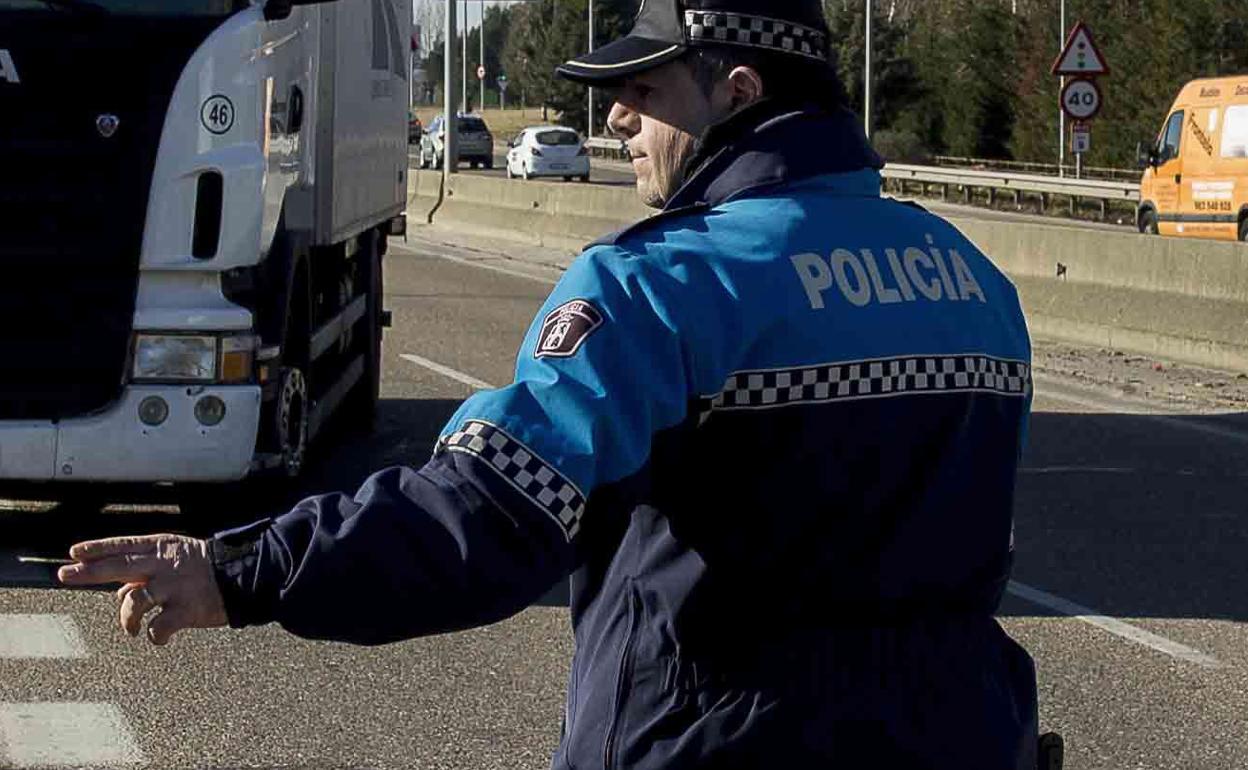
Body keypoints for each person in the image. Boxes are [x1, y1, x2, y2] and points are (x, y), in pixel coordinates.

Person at [59, 1, 1041, 767]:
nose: (616, 116)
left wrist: (243, 568)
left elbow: (491, 513)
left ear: (737, 90)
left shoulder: (666, 282)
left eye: (647, 90)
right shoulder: (973, 283)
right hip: (961, 738)